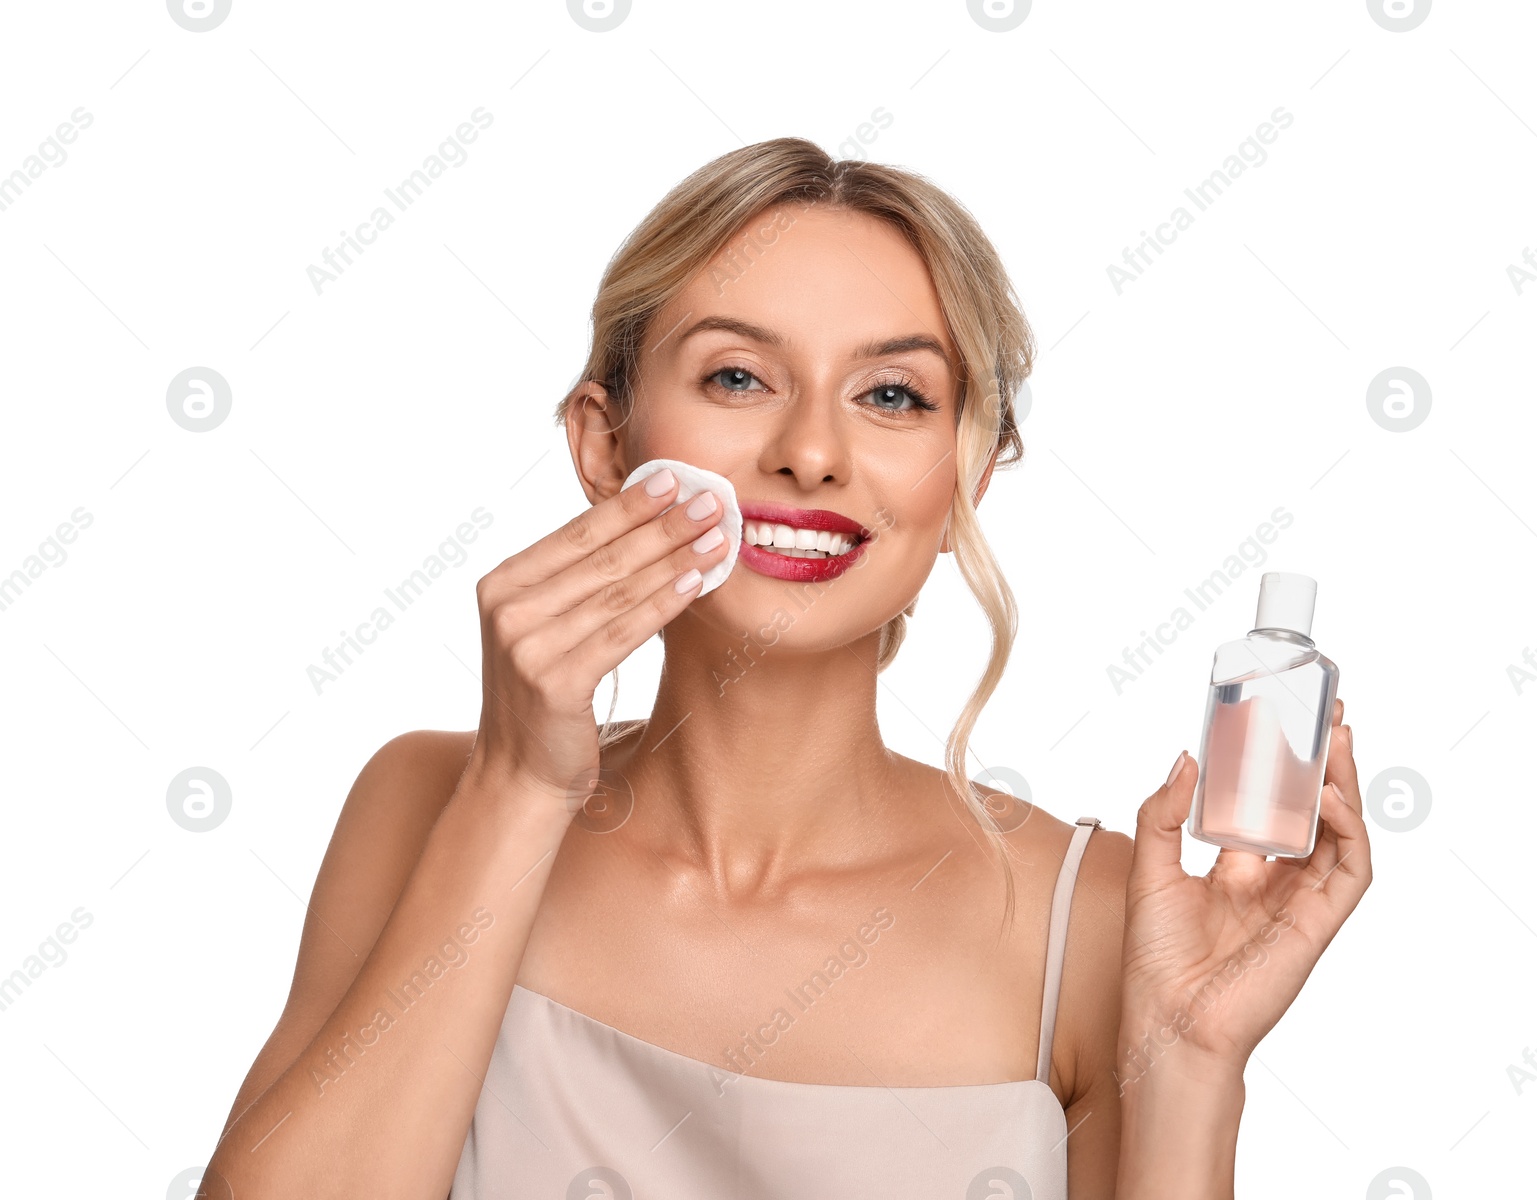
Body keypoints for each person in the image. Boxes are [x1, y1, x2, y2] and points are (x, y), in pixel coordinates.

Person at [198, 137, 1372, 1199]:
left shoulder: (1110, 918)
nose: (810, 452)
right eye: (738, 377)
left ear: (966, 479)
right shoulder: (422, 805)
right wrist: (517, 788)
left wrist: (1192, 1058)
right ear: (605, 443)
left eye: (892, 396)